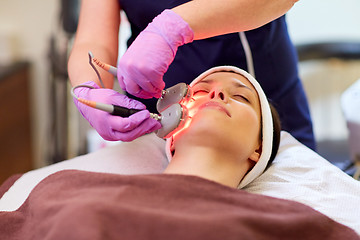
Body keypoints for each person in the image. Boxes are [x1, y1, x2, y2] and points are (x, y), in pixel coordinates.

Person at [2, 67, 359, 239]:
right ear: (171, 128)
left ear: (258, 148)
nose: (217, 95)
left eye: (241, 96)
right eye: (202, 91)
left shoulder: (292, 223)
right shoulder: (61, 188)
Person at [68, 0, 316, 150]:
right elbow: (92, 39)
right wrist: (88, 90)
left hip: (259, 112)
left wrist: (173, 28)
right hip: (157, 126)